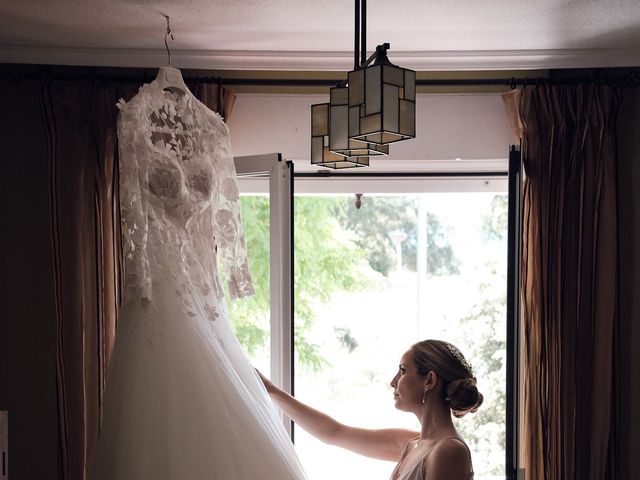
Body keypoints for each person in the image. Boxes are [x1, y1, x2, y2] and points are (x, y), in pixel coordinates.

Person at [259, 339, 483, 480]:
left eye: (403, 371)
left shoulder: (449, 451)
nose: (393, 381)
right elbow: (334, 433)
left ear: (429, 380)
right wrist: (272, 392)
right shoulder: (414, 443)